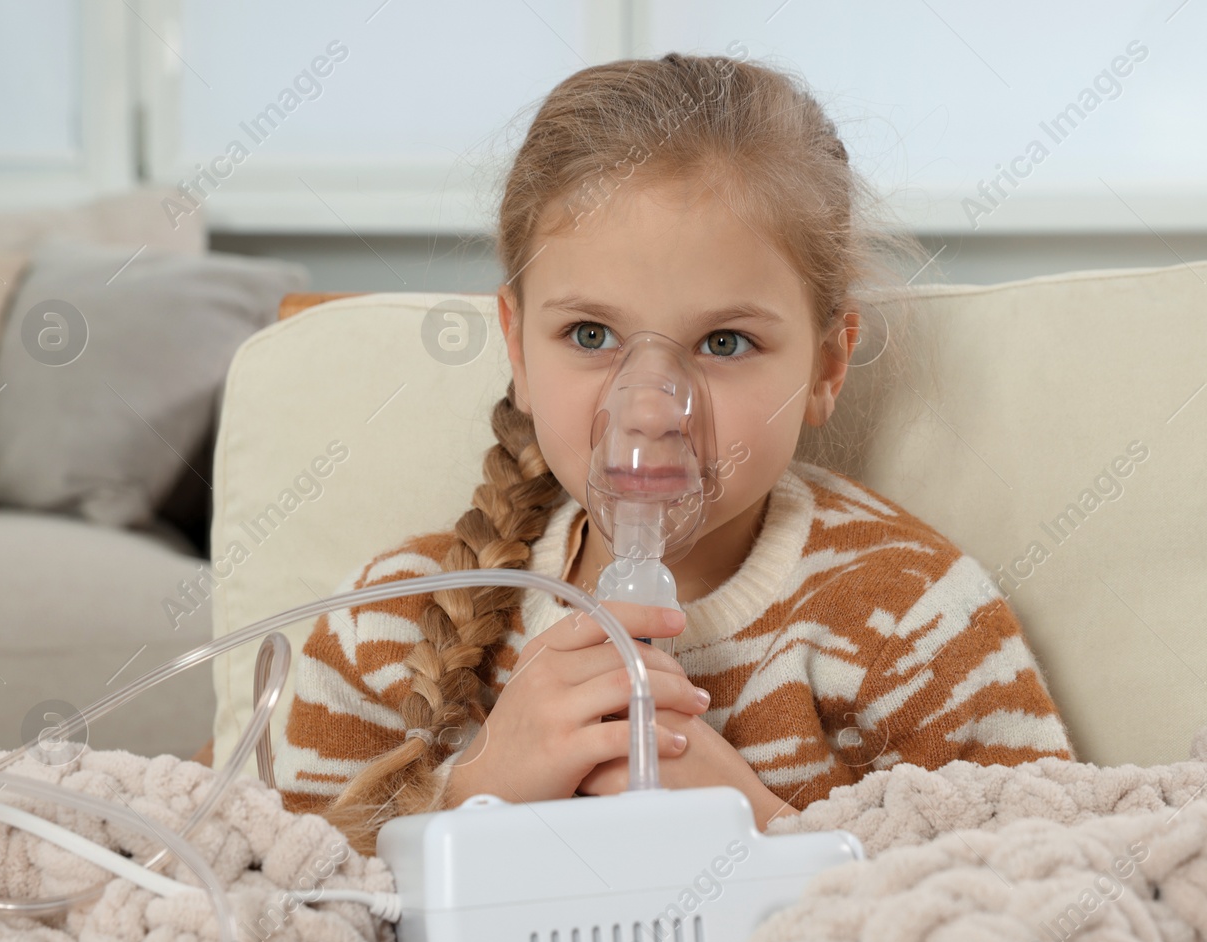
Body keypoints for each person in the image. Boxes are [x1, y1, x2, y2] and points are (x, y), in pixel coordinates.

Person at [273, 51, 1076, 857]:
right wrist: (477, 790)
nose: (652, 408)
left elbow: (1042, 899)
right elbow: (287, 915)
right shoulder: (383, 632)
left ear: (828, 363)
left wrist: (764, 830)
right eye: (591, 335)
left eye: (725, 342)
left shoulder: (913, 624)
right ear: (517, 347)